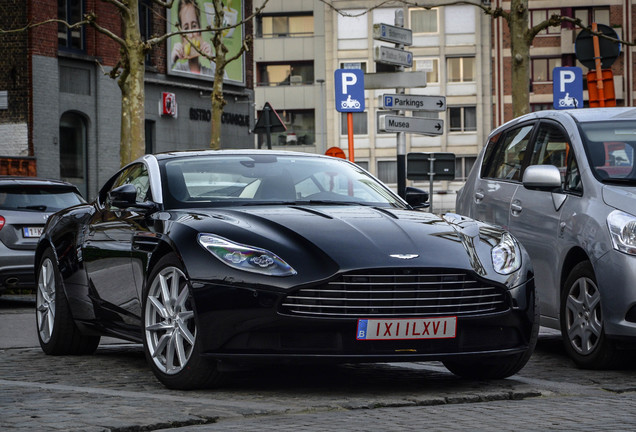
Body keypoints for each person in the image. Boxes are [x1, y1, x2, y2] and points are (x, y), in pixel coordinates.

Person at [171, 0, 214, 75]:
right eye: (186, 28)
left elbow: (226, 84)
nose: (191, 35)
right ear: (181, 35)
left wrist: (213, 59)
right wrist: (171, 61)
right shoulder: (178, 69)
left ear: (200, 29)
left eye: (194, 26)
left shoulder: (209, 74)